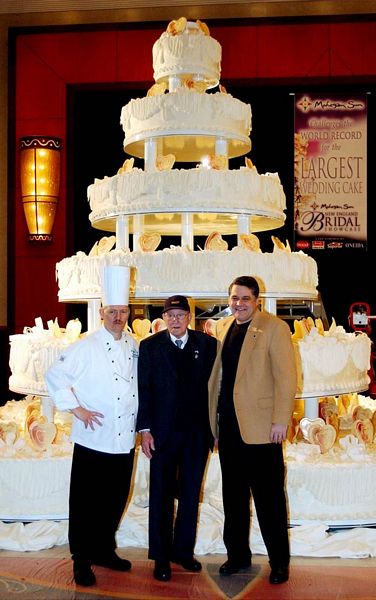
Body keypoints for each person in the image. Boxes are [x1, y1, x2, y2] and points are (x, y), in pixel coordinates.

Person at [46, 266, 139, 587]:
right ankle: (81, 560)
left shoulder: (133, 344)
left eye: (123, 311)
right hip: (93, 439)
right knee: (86, 503)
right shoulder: (86, 345)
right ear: (102, 312)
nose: (118, 316)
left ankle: (104, 550)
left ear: (128, 312)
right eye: (112, 311)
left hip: (123, 439)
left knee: (115, 498)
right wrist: (77, 409)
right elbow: (54, 376)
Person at [208, 275, 297, 585]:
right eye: (234, 298)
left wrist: (280, 421)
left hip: (262, 430)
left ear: (257, 300)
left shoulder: (274, 328)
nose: (239, 304)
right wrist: (215, 424)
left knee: (269, 500)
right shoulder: (222, 328)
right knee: (233, 498)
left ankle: (279, 562)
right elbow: (218, 380)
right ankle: (237, 556)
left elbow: (286, 378)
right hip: (230, 428)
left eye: (245, 298)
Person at [137, 295, 217, 582]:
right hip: (162, 435)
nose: (175, 319)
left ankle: (183, 552)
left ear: (189, 317)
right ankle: (161, 556)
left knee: (189, 494)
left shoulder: (207, 346)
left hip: (196, 435)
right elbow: (143, 390)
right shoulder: (149, 347)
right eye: (170, 315)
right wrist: (144, 429)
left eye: (180, 314)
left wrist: (215, 428)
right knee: (160, 495)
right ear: (164, 318)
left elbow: (215, 390)